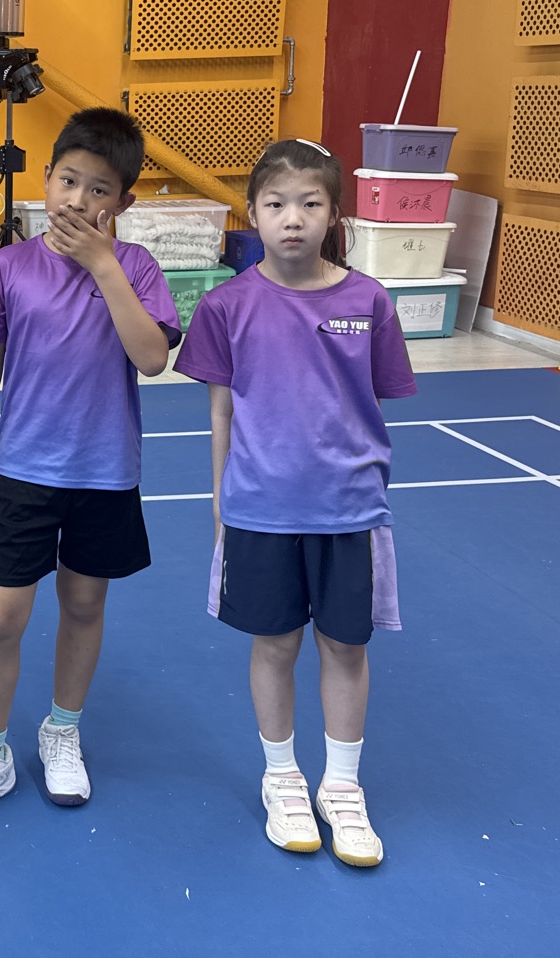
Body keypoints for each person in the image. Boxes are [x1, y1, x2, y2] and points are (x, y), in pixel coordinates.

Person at [0, 108, 179, 826]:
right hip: (27, 473)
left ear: (123, 201)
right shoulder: (9, 267)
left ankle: (61, 730)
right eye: (68, 180)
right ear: (45, 179)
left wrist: (103, 265)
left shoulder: (136, 267)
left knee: (84, 604)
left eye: (99, 189)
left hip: (105, 474)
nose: (78, 199)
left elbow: (152, 357)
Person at [173, 139, 416, 868]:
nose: (293, 218)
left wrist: (364, 486)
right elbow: (221, 413)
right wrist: (220, 499)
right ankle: (282, 776)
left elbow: (371, 403)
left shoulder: (369, 301)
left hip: (349, 510)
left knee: (346, 645)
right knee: (275, 643)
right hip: (260, 507)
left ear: (334, 214)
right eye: (276, 204)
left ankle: (341, 785)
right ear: (252, 213)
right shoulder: (225, 306)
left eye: (311, 203)